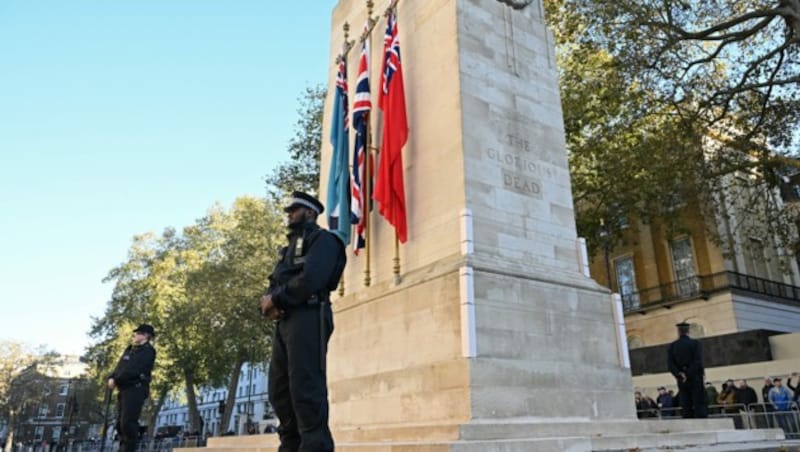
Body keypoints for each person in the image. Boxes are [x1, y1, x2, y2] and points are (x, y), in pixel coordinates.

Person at [260, 191, 346, 452]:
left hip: (310, 315)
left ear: (310, 213)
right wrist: (267, 303)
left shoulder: (325, 241)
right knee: (280, 390)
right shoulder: (287, 250)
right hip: (286, 320)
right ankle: (290, 446)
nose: (289, 214)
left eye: (294, 210)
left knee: (305, 388)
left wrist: (278, 299)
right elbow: (274, 283)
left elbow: (312, 279)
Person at [108, 324, 157, 452]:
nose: (135, 335)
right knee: (120, 423)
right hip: (123, 389)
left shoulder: (148, 351)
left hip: (136, 388)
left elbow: (135, 369)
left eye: (138, 333)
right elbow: (120, 366)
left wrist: (117, 379)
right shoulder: (130, 350)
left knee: (128, 422)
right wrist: (112, 377)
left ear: (146, 335)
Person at [667, 321, 707, 418]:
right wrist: (688, 373)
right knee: (698, 400)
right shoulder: (695, 343)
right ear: (688, 331)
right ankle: (701, 419)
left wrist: (680, 374)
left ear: (679, 332)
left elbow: (670, 364)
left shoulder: (672, 346)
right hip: (695, 376)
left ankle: (688, 418)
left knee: (685, 401)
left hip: (681, 378)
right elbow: (697, 361)